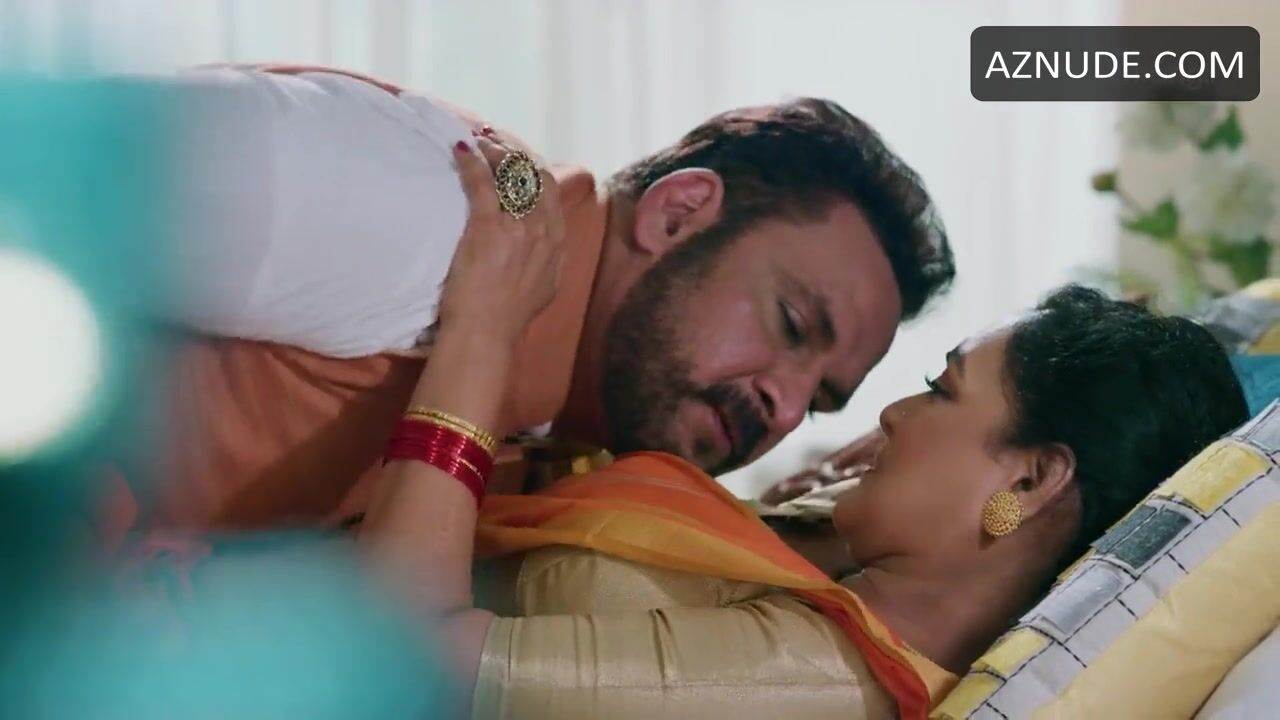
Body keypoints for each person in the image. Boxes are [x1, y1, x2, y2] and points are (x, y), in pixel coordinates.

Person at [348, 138, 1250, 719]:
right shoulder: (840, 578)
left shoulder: (807, 683)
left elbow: (395, 661)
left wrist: (485, 330)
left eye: (940, 391)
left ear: (1026, 481)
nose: (888, 416)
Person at [98, 65, 955, 538]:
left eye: (821, 401)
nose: (786, 407)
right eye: (793, 324)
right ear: (677, 214)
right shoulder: (436, 216)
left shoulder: (547, 442)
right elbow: (45, 174)